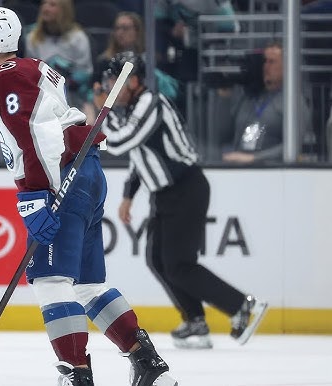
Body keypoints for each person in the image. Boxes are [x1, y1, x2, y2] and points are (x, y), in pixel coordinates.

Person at [0, 7, 178, 386]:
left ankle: (75, 373)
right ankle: (148, 364)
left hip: (63, 178)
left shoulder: (6, 78)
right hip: (84, 172)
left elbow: (35, 135)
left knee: (50, 280)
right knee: (88, 284)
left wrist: (35, 195)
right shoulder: (28, 68)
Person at [98, 51, 268, 351]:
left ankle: (244, 306)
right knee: (158, 260)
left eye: (115, 83)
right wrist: (128, 195)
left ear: (134, 81)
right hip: (165, 193)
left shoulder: (152, 103)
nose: (111, 89)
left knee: (179, 264)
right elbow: (140, 157)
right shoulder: (129, 109)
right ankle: (195, 321)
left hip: (185, 188)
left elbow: (125, 141)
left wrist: (100, 120)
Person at [220, 41, 312, 163]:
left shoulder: (293, 101)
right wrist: (224, 98)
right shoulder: (249, 98)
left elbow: (294, 147)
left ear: (287, 66)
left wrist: (255, 159)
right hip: (239, 167)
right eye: (264, 61)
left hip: (272, 171)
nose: (265, 67)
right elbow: (224, 134)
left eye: (272, 62)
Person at [23, 0, 93, 109]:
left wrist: (65, 81)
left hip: (73, 94)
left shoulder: (78, 37)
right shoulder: (32, 37)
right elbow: (30, 70)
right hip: (41, 92)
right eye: (43, 4)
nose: (45, 8)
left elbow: (86, 71)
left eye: (52, 5)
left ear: (64, 10)